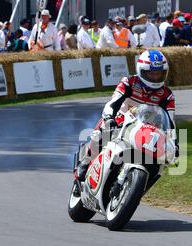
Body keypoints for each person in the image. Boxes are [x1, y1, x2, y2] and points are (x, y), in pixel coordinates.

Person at [76, 50, 178, 181]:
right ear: (141, 70)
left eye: (158, 73)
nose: (155, 77)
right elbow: (113, 103)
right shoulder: (129, 82)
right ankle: (86, 161)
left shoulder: (167, 95)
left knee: (161, 162)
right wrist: (109, 117)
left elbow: (170, 121)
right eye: (151, 73)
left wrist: (174, 143)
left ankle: (140, 184)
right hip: (120, 121)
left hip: (145, 129)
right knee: (101, 132)